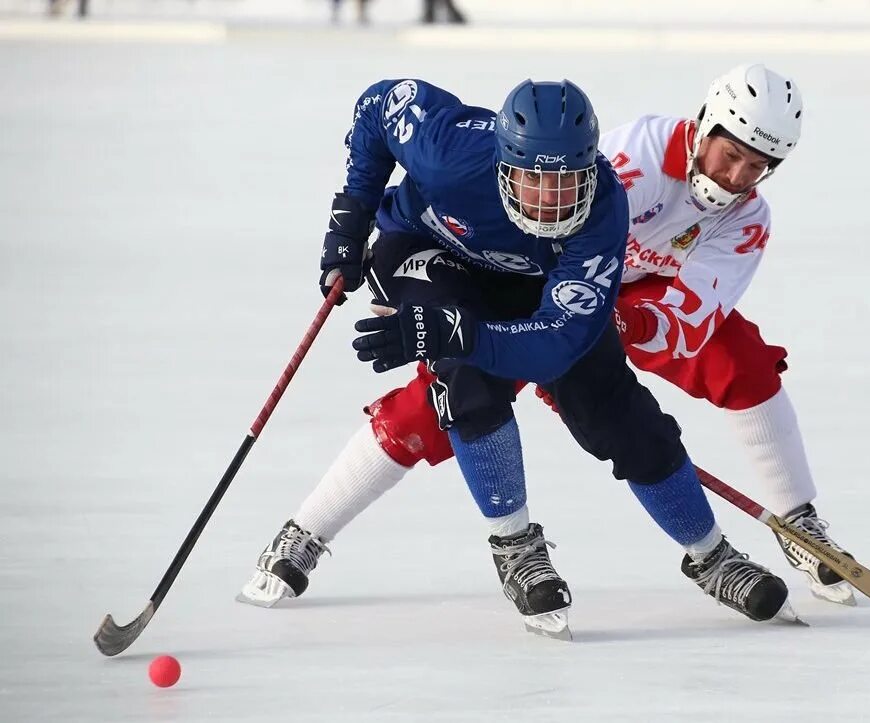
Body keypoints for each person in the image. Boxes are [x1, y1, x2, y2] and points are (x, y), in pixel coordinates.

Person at [238, 75, 798, 636]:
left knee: (617, 410)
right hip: (429, 250)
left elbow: (556, 340)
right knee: (465, 386)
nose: (552, 200)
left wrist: (471, 334)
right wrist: (353, 208)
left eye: (569, 182)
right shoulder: (452, 151)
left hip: (531, 279)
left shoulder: (604, 208)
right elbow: (380, 103)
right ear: (505, 165)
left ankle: (710, 553)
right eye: (534, 179)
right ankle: (514, 545)